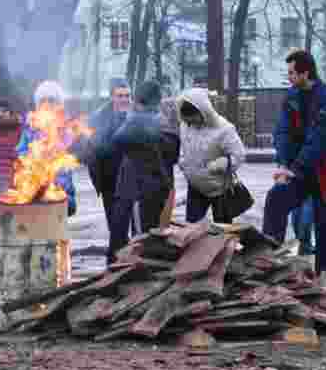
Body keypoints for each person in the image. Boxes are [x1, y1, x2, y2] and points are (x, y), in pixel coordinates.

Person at [263, 50, 326, 286]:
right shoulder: (291, 96)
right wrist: (283, 163)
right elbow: (282, 131)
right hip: (299, 170)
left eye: (292, 73)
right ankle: (267, 262)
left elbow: (320, 138)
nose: (289, 77)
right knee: (276, 199)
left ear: (305, 72)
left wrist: (295, 168)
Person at [109, 80, 180, 261]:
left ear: (138, 100)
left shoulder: (138, 122)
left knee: (141, 239)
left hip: (138, 189)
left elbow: (117, 141)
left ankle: (131, 272)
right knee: (150, 234)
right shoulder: (166, 121)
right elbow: (174, 155)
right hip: (157, 187)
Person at [175, 87, 246, 224]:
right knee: (191, 228)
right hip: (195, 187)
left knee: (222, 230)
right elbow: (183, 147)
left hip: (219, 189)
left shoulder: (224, 129)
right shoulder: (185, 125)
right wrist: (183, 161)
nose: (191, 123)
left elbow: (239, 154)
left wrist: (223, 163)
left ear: (203, 111)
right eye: (188, 121)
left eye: (194, 119)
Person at [83, 78, 132, 258]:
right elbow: (94, 148)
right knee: (115, 224)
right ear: (112, 96)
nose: (124, 100)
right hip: (109, 179)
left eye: (127, 95)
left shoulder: (135, 113)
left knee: (130, 225)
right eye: (120, 96)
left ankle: (121, 256)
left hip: (131, 178)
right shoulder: (99, 117)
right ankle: (116, 260)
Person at [17, 81, 77, 216]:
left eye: (51, 100)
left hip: (58, 193)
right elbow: (21, 153)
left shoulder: (64, 128)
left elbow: (65, 168)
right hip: (33, 189)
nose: (47, 104)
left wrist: (54, 189)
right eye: (43, 100)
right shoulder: (30, 127)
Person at [0, 99, 23, 196]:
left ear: (10, 112)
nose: (0, 114)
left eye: (4, 111)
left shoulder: (19, 128)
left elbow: (22, 150)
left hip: (14, 173)